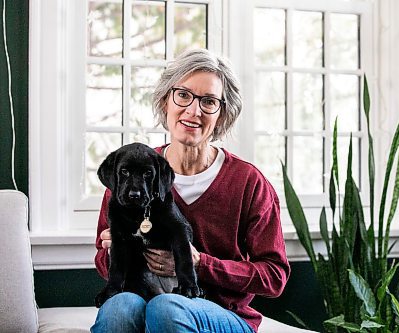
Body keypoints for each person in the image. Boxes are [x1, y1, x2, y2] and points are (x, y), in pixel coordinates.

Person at [91, 48, 290, 333]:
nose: (193, 111)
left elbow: (274, 277)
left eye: (208, 101)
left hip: (222, 314)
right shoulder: (129, 175)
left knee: (167, 308)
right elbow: (103, 260)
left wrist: (200, 264)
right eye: (183, 95)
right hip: (144, 294)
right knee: (120, 309)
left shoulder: (249, 183)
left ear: (222, 115)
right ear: (165, 102)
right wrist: (113, 251)